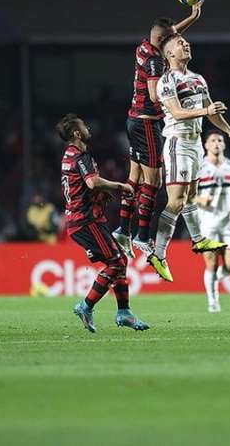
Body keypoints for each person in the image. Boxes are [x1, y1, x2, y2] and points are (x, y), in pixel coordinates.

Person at [148, 33, 230, 282]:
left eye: (186, 43)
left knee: (190, 196)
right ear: (170, 53)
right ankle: (158, 253)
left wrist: (229, 130)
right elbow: (177, 112)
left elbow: (211, 110)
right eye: (180, 44)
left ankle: (198, 239)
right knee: (176, 200)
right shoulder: (166, 81)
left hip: (195, 144)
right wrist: (206, 110)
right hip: (177, 142)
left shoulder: (198, 78)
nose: (186, 45)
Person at [112, 1, 205, 259]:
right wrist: (174, 105)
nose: (178, 40)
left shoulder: (144, 44)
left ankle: (122, 229)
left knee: (134, 179)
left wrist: (192, 17)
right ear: (164, 42)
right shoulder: (154, 62)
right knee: (154, 182)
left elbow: (170, 32)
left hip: (132, 120)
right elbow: (154, 95)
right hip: (147, 122)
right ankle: (142, 236)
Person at [57, 114, 149, 333]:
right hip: (85, 221)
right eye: (83, 126)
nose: (88, 127)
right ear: (77, 134)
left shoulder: (68, 156)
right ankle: (86, 306)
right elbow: (91, 182)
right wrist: (118, 186)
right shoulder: (80, 156)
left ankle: (124, 312)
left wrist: (101, 192)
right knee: (116, 262)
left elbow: (84, 186)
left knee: (121, 260)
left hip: (83, 220)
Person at [195, 130, 230, 312]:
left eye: (220, 140)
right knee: (212, 264)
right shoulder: (198, 167)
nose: (216, 143)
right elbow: (185, 195)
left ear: (224, 145)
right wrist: (200, 200)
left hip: (227, 222)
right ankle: (213, 302)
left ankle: (212, 281)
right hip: (206, 223)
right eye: (213, 140)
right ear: (206, 145)